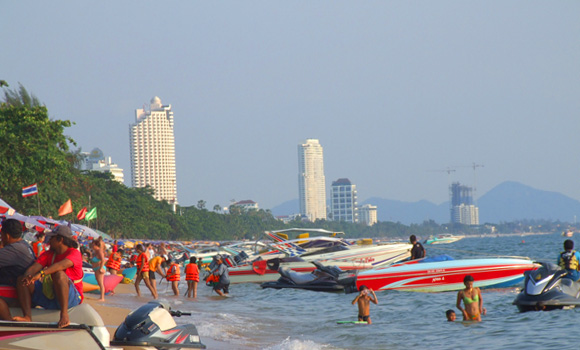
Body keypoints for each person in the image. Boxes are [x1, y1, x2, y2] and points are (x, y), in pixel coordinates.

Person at [13, 225, 84, 328]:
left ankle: (64, 314)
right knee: (21, 279)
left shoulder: (74, 253)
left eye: (51, 238)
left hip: (72, 298)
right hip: (52, 294)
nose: (48, 241)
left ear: (60, 239)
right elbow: (34, 268)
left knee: (59, 274)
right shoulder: (49, 254)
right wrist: (28, 276)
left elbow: (60, 265)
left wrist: (41, 274)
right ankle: (27, 316)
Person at [0, 219, 36, 287]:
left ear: (7, 236)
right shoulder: (25, 244)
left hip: (12, 288)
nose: (1, 238)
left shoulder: (14, 249)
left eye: (1, 235)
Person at [90, 237, 106, 301]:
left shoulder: (99, 251)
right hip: (96, 268)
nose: (92, 246)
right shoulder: (95, 252)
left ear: (96, 245)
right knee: (99, 283)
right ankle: (101, 297)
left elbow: (103, 260)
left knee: (101, 283)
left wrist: (101, 268)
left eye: (93, 245)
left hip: (99, 268)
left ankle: (102, 298)